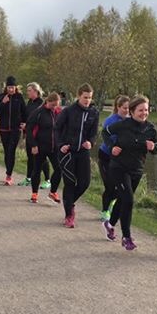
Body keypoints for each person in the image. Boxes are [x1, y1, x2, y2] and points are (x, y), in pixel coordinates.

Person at [101, 96, 157, 250]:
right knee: (128, 200)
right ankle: (126, 237)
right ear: (132, 111)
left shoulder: (151, 129)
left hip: (137, 169)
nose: (144, 113)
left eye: (146, 110)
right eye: (140, 110)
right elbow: (105, 132)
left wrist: (153, 148)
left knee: (123, 200)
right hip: (119, 167)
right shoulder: (122, 125)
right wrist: (112, 146)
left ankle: (110, 224)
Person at [55, 83, 99, 228]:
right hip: (67, 152)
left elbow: (93, 133)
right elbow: (57, 129)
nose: (87, 100)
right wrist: (61, 145)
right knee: (69, 183)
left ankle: (69, 203)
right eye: (85, 97)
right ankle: (69, 215)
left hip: (83, 152)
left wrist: (91, 142)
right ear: (78, 96)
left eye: (90, 98)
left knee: (85, 182)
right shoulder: (68, 111)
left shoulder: (94, 112)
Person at [25, 91, 62, 204]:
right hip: (40, 146)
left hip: (54, 147)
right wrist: (33, 145)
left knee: (59, 169)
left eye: (56, 105)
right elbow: (29, 129)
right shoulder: (38, 113)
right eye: (52, 105)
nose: (54, 107)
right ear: (47, 102)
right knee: (37, 170)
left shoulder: (58, 113)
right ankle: (34, 193)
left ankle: (53, 192)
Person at [97, 95, 130, 221]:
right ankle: (105, 211)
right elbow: (107, 137)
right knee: (110, 186)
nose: (127, 111)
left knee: (122, 187)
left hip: (121, 159)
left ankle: (112, 203)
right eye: (124, 108)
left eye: (129, 108)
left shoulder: (130, 121)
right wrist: (113, 146)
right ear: (118, 107)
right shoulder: (111, 121)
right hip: (106, 156)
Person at [0, 76, 26, 185]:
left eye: (12, 87)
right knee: (7, 152)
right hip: (3, 129)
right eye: (9, 87)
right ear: (6, 87)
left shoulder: (19, 97)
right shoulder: (1, 97)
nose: (11, 89)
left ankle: (9, 175)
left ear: (16, 87)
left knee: (11, 151)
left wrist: (24, 123)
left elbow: (24, 112)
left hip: (15, 129)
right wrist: (3, 103)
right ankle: (8, 172)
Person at [20, 82, 51, 188]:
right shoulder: (29, 102)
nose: (27, 93)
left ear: (36, 91)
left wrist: (28, 125)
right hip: (30, 135)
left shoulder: (42, 103)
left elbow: (41, 120)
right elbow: (27, 117)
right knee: (30, 157)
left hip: (39, 136)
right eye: (27, 91)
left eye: (29, 91)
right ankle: (28, 178)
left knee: (42, 158)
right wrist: (24, 126)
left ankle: (47, 180)